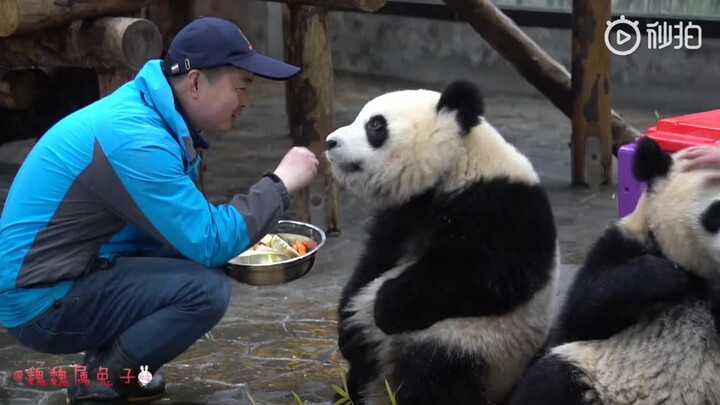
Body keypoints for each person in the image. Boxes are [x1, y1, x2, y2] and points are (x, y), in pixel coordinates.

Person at [0, 16, 318, 404]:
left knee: (192, 257)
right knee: (205, 290)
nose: (247, 102)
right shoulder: (138, 139)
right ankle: (108, 377)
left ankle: (107, 363)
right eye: (242, 86)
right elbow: (210, 241)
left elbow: (188, 234)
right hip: (37, 304)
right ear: (197, 82)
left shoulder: (148, 113)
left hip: (64, 271)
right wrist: (280, 183)